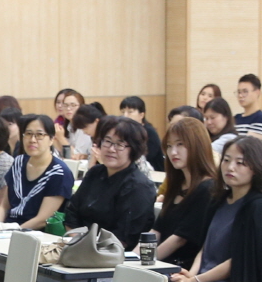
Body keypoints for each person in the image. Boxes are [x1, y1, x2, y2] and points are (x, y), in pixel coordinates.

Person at [171, 135, 262, 282]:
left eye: (240, 163)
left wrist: (195, 281)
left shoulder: (259, 207)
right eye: (226, 160)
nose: (230, 167)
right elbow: (206, 247)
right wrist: (191, 275)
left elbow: (240, 260)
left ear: (256, 168)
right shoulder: (218, 200)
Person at [62, 115, 159, 251]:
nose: (111, 149)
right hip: (79, 246)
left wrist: (88, 247)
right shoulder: (95, 173)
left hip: (112, 256)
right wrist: (77, 240)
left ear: (134, 149)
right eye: (107, 141)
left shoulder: (139, 186)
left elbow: (125, 237)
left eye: (120, 144)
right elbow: (72, 211)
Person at [150, 114, 218, 266]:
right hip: (162, 264)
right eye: (169, 146)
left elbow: (179, 239)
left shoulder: (208, 187)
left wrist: (146, 263)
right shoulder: (176, 185)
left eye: (180, 144)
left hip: (182, 269)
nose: (173, 152)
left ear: (197, 145)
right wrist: (131, 260)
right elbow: (156, 231)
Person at [0, 114, 74, 229]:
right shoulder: (18, 162)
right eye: (28, 134)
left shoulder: (59, 172)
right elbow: (4, 206)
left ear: (51, 139)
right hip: (8, 229)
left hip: (37, 235)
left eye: (39, 135)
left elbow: (42, 220)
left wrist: (12, 233)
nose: (32, 140)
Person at [119, 95, 165, 171]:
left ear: (141, 115)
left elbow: (148, 156)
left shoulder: (149, 132)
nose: (125, 116)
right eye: (123, 112)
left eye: (130, 112)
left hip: (154, 173)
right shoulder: (124, 132)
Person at [233, 73, 262, 139]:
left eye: (245, 91)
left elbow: (248, 145)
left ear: (257, 92)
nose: (240, 95)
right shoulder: (235, 118)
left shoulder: (260, 118)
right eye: (239, 92)